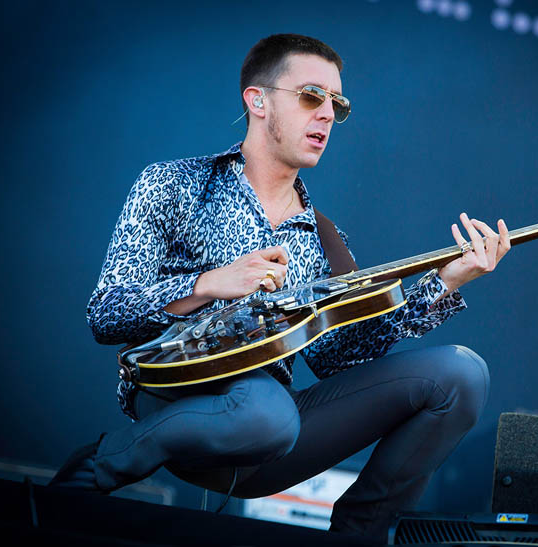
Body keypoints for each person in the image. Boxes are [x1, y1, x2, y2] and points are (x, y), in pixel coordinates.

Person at [49, 33, 510, 542]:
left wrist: (445, 283)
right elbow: (107, 314)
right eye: (313, 95)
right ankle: (104, 463)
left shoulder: (326, 239)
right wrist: (211, 283)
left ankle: (359, 534)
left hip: (270, 437)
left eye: (338, 104)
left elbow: (341, 359)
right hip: (175, 399)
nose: (328, 114)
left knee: (462, 374)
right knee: (268, 413)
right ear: (258, 100)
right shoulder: (173, 183)